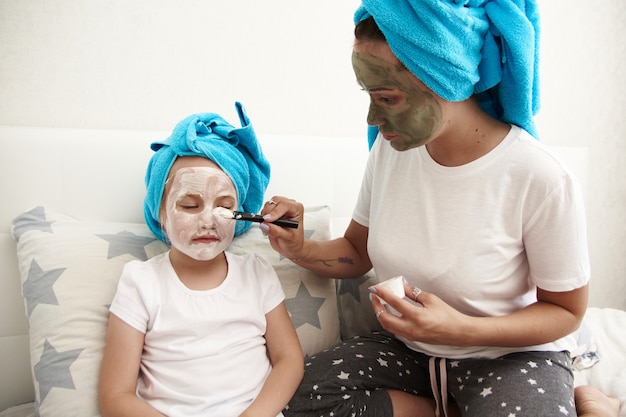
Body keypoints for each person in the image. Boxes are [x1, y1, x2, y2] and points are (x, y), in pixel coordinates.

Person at [260, 2, 620, 417]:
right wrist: (300, 248)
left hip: (508, 356)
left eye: (387, 98)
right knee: (296, 397)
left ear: (444, 80)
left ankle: (591, 399)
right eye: (369, 97)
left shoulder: (540, 178)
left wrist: (462, 330)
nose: (374, 117)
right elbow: (357, 254)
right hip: (414, 352)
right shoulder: (391, 150)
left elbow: (566, 311)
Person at [98, 103, 304, 417]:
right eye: (191, 206)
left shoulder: (256, 272)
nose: (207, 221)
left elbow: (289, 360)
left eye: (223, 206)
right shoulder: (141, 282)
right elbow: (115, 396)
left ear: (239, 213)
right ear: (161, 215)